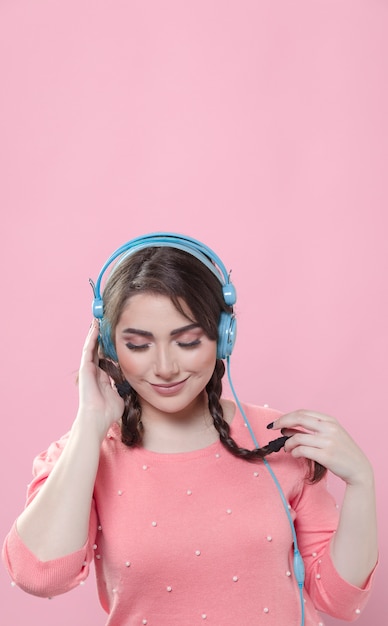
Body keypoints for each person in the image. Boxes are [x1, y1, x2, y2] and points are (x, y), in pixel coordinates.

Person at [2, 233, 378, 625]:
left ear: (224, 337)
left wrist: (362, 484)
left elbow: (338, 600)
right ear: (110, 349)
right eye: (139, 345)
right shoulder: (83, 454)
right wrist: (89, 423)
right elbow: (38, 576)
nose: (165, 367)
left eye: (187, 341)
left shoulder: (277, 439)